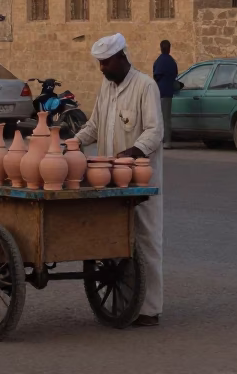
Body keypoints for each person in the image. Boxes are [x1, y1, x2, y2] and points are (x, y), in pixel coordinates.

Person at [75, 33, 163, 327]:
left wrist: (131, 153)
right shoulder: (107, 87)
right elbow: (94, 126)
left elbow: (154, 131)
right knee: (114, 240)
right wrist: (70, 144)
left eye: (106, 63)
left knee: (144, 238)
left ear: (122, 58)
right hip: (108, 180)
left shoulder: (145, 86)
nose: (102, 68)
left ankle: (149, 309)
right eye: (99, 63)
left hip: (139, 180)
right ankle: (126, 304)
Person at [152, 39, 178, 147]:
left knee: (161, 117)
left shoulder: (159, 61)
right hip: (168, 92)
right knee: (166, 117)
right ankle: (165, 140)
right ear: (169, 49)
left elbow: (156, 75)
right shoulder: (172, 61)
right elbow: (175, 75)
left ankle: (165, 141)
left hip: (160, 91)